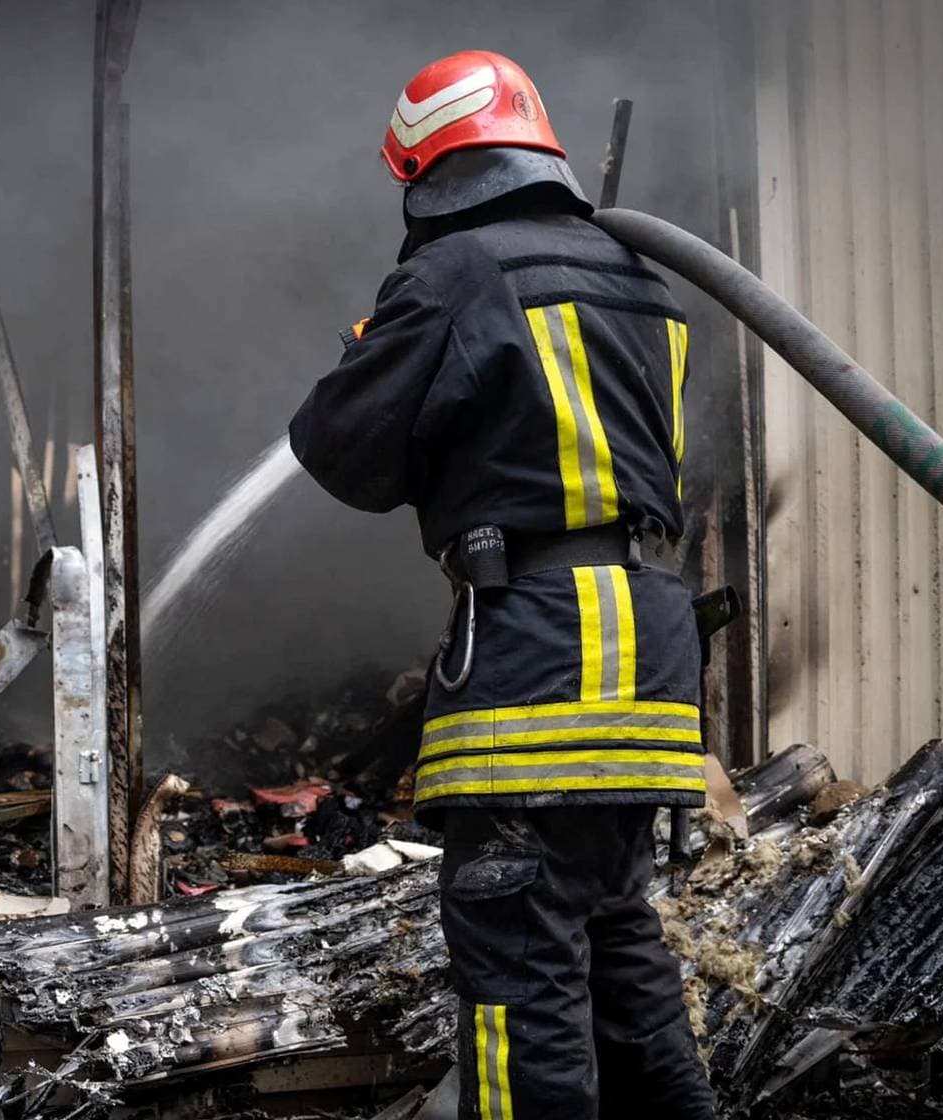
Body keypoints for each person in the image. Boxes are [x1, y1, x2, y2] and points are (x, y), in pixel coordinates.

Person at [287, 50, 718, 1120]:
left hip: (539, 651)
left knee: (517, 976)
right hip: (647, 656)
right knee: (616, 942)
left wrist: (376, 350)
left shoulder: (455, 275)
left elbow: (342, 450)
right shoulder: (644, 284)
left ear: (425, 170)